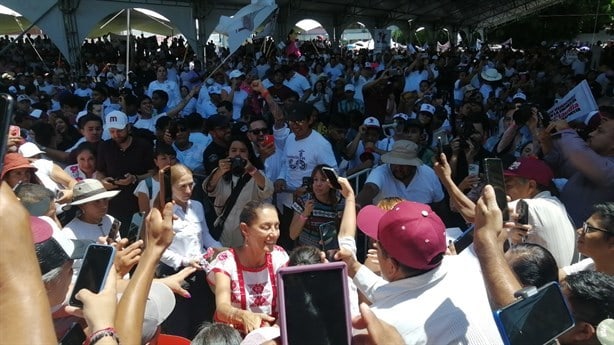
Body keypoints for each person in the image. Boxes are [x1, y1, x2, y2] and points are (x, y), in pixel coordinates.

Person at [336, 199, 502, 343]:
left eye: (377, 246)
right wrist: (353, 266)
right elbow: (401, 293)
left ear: (392, 266)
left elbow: (400, 299)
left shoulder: (382, 325)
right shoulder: (467, 266)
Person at [207, 201, 289, 334]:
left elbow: (288, 302)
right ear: (245, 229)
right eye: (266, 227)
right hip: (234, 337)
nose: (274, 233)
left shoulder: (280, 257)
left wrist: (273, 332)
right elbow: (222, 308)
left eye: (277, 226)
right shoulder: (227, 262)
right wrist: (244, 316)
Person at [158, 164, 221, 338]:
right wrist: (184, 261)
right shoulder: (163, 212)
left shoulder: (197, 206)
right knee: (179, 327)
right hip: (175, 274)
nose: (188, 190)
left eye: (191, 185)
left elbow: (205, 237)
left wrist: (221, 249)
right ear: (170, 188)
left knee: (203, 324)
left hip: (201, 271)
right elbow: (159, 250)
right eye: (182, 186)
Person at [541, 116, 614, 227]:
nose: (591, 134)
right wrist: (548, 146)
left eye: (600, 131)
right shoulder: (596, 160)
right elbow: (560, 169)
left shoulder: (609, 169)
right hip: (560, 228)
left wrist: (566, 131)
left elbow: (578, 154)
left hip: (580, 240)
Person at [203, 136, 274, 248]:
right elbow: (208, 189)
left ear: (249, 154)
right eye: (234, 150)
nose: (238, 154)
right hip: (224, 230)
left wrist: (252, 170)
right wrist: (220, 171)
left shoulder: (256, 174)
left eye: (242, 151)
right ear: (228, 153)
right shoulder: (221, 172)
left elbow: (268, 190)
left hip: (246, 231)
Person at [96, 110, 155, 235]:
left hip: (138, 201)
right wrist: (103, 182)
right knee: (115, 236)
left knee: (137, 235)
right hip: (114, 202)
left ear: (128, 127)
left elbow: (153, 172)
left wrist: (135, 178)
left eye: (120, 131)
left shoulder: (143, 146)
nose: (116, 135)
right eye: (112, 131)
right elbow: (100, 171)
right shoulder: (105, 147)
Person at [356, 140, 444, 207]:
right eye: (394, 163)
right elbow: (370, 188)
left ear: (413, 165)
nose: (398, 168)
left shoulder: (429, 174)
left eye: (403, 164)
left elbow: (439, 204)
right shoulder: (380, 172)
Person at [289, 164, 344, 250]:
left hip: (330, 254)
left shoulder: (340, 203)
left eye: (323, 180)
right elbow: (292, 235)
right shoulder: (304, 201)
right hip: (307, 254)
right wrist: (305, 214)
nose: (318, 184)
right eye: (315, 180)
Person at [560, 202, 614, 279]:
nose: (579, 231)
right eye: (584, 226)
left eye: (589, 228)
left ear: (612, 243)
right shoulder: (591, 263)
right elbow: (559, 276)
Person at [134, 144, 177, 213]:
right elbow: (145, 216)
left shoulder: (184, 181)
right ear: (156, 162)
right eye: (164, 158)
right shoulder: (145, 185)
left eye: (172, 158)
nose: (169, 162)